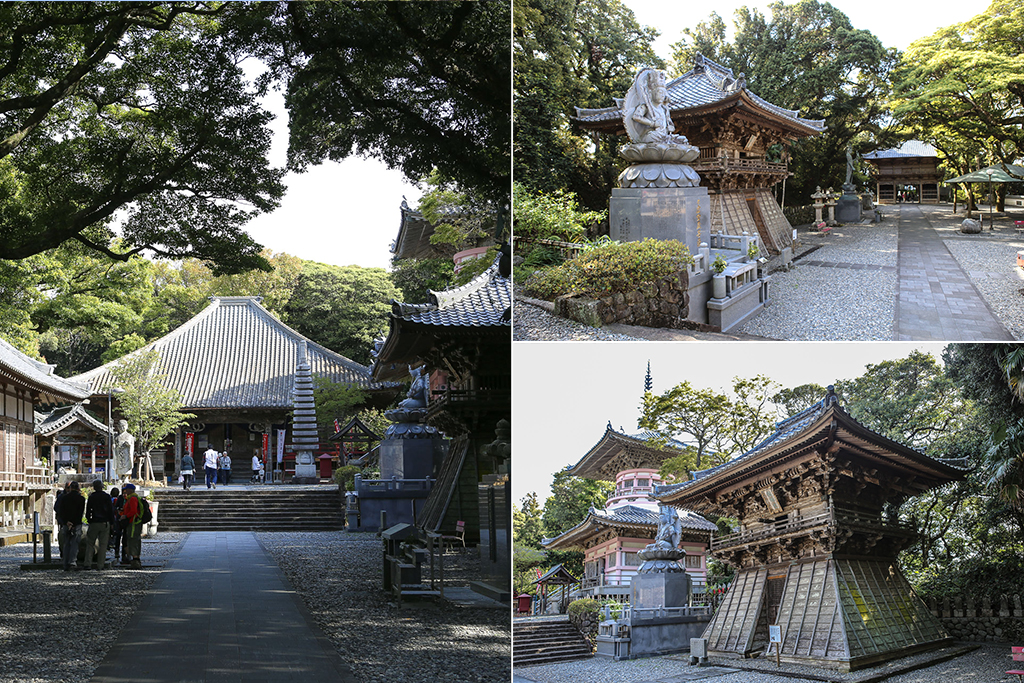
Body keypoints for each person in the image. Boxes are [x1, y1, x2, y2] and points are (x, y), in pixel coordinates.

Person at [84, 480, 115, 570]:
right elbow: (110, 511)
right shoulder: (107, 497)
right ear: (102, 486)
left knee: (90, 543)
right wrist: (112, 522)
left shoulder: (92, 497)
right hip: (104, 522)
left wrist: (89, 519)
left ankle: (87, 563)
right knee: (103, 545)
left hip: (94, 521)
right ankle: (100, 564)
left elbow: (88, 509)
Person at [58, 481, 86, 571]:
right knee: (74, 543)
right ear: (78, 488)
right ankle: (72, 562)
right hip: (76, 523)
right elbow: (80, 513)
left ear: (70, 488)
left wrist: (67, 522)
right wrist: (74, 523)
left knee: (66, 543)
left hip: (66, 523)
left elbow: (61, 511)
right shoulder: (81, 499)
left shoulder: (64, 498)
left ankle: (65, 562)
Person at [119, 483, 144, 569]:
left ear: (130, 490)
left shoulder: (133, 498)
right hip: (133, 522)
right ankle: (135, 560)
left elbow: (133, 511)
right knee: (132, 540)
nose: (125, 491)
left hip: (133, 523)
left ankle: (135, 561)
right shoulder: (132, 498)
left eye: (127, 489)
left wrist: (125, 515)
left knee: (133, 540)